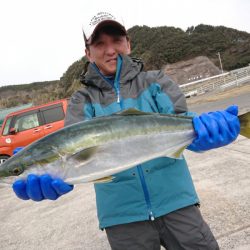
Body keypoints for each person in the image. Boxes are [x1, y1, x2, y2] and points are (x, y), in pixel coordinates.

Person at [13, 12, 240, 250]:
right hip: (122, 218)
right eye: (100, 44)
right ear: (88, 53)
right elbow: (71, 150)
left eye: (117, 41)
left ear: (128, 44)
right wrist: (56, 175)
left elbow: (181, 121)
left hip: (178, 203)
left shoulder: (156, 82)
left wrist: (204, 131)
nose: (110, 50)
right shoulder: (82, 100)